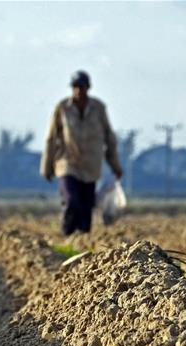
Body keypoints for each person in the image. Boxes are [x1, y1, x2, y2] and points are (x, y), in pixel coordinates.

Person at [40, 70, 123, 236]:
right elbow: (51, 137)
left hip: (90, 166)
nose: (79, 90)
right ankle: (67, 235)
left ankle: (83, 243)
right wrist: (47, 166)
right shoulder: (62, 108)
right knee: (71, 201)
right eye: (76, 87)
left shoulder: (98, 109)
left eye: (82, 87)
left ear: (88, 88)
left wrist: (115, 165)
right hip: (67, 163)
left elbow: (109, 137)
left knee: (86, 208)